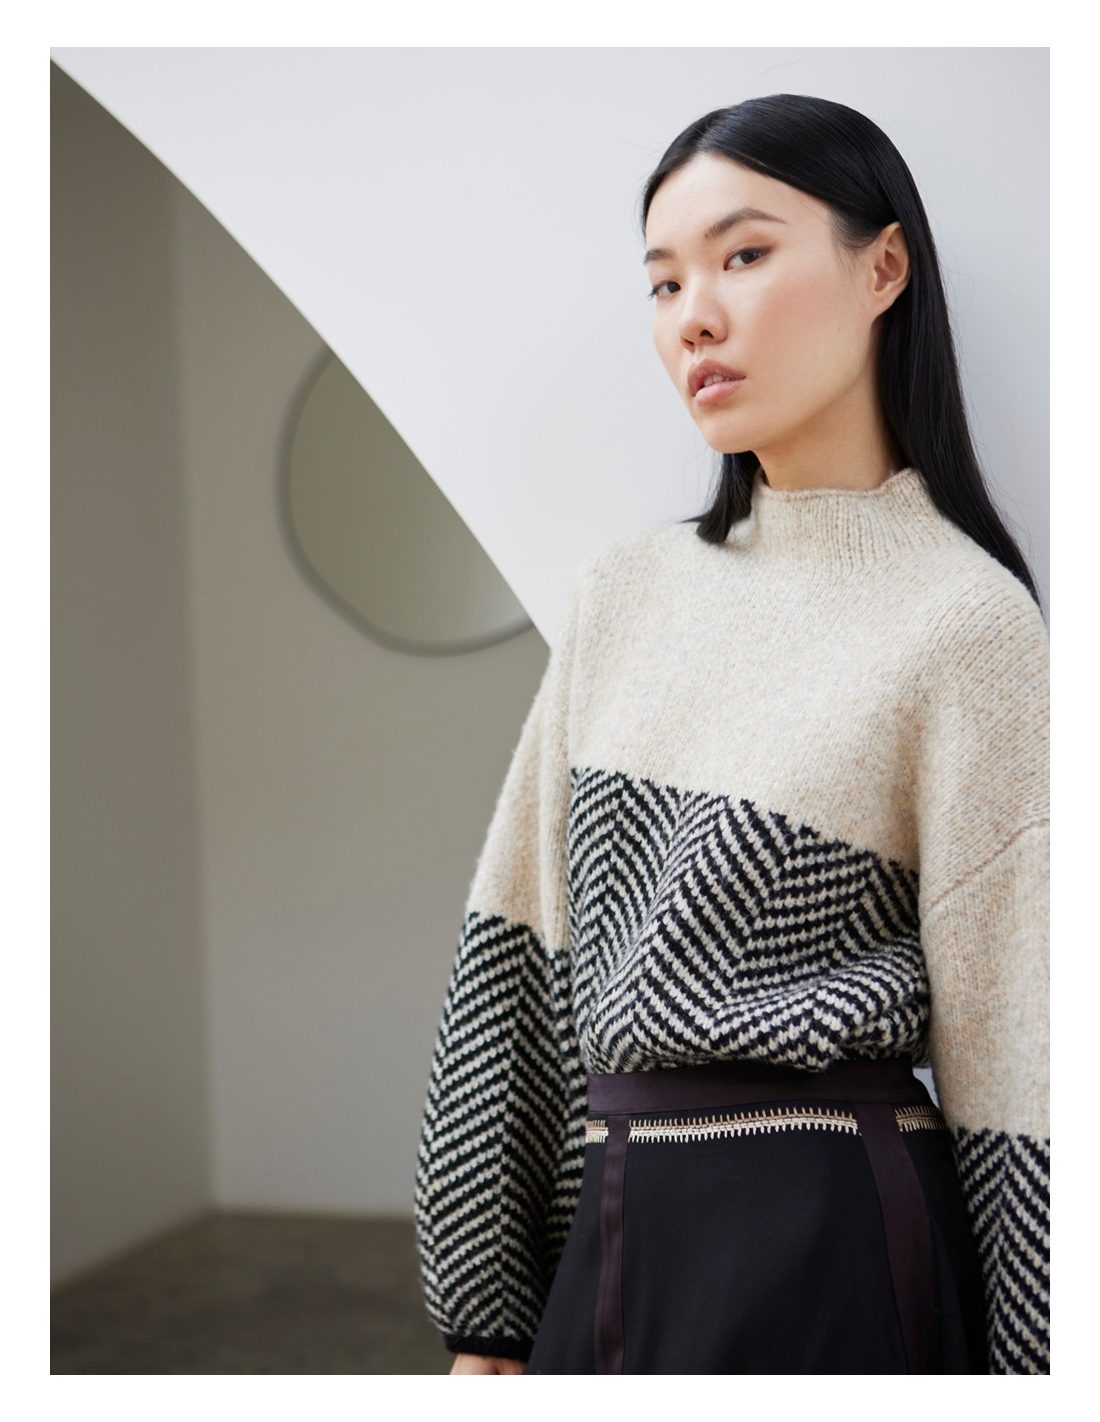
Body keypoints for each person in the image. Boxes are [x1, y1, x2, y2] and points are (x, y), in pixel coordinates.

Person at [412, 93, 1049, 1375]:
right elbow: (518, 945)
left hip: (837, 1246)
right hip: (613, 1228)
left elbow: (1021, 1048)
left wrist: (1044, 1366)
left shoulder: (965, 624)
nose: (692, 316)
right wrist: (483, 1301)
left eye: (742, 255)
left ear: (882, 268)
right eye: (662, 284)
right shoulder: (626, 595)